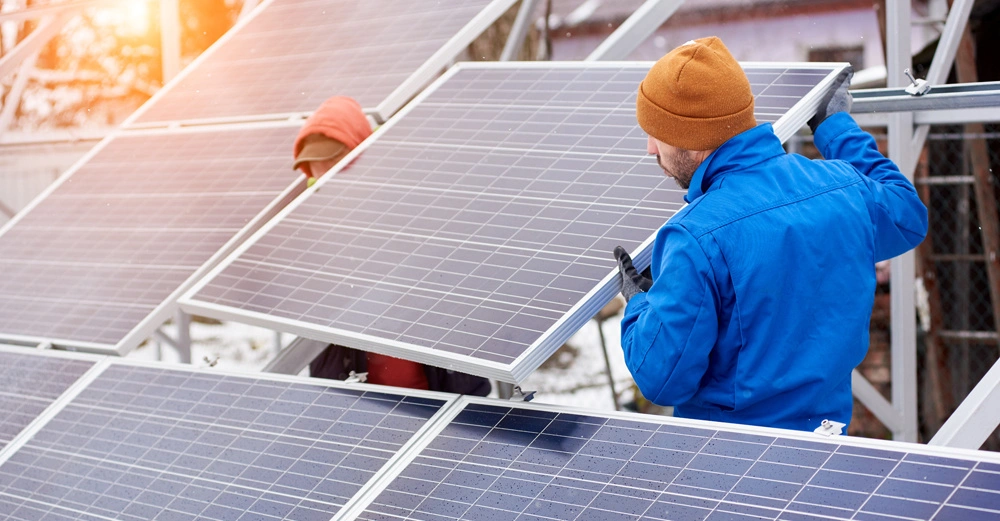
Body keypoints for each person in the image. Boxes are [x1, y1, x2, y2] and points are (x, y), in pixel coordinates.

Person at [613, 37, 927, 432]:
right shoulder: (842, 187)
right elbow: (907, 214)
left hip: (729, 464)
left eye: (657, 133)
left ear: (692, 139)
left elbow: (662, 378)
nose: (649, 150)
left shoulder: (696, 237)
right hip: (827, 446)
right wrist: (835, 127)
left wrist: (640, 307)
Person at [293, 95, 491, 396]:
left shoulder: (415, 204)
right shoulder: (307, 228)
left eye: (334, 160)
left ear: (362, 153)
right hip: (354, 401)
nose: (326, 172)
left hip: (440, 392)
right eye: (316, 165)